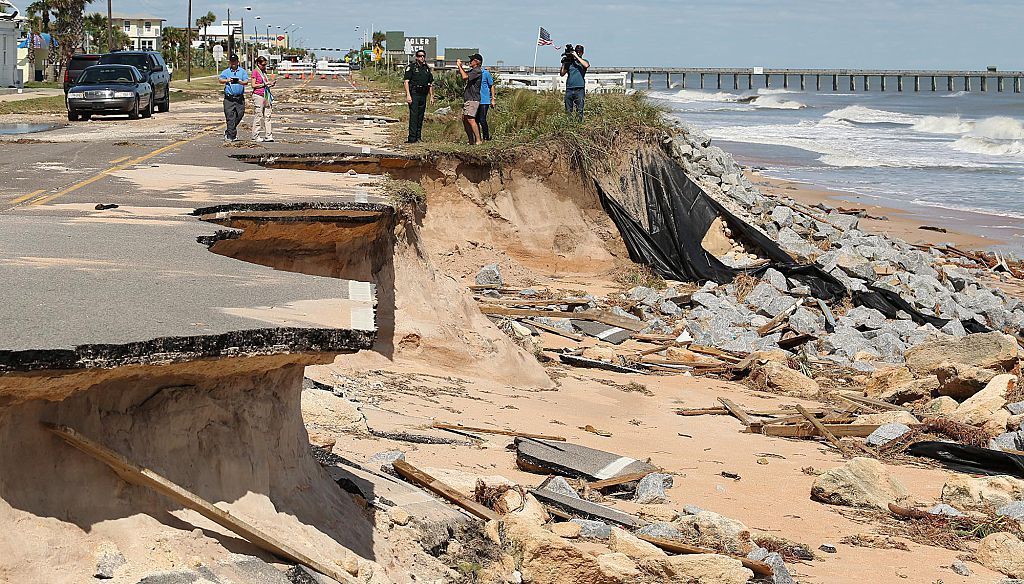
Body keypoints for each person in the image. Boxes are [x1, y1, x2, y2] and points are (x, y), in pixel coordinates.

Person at [403, 49, 434, 143]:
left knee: (421, 116)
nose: (422, 57)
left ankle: (418, 137)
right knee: (414, 116)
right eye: (420, 56)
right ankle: (412, 138)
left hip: (423, 94)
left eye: (424, 56)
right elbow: (406, 81)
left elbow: (430, 83)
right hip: (414, 94)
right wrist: (408, 95)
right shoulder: (411, 67)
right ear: (416, 57)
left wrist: (431, 96)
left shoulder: (426, 68)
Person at [219, 54, 249, 142]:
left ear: (237, 62)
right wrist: (227, 80)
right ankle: (231, 136)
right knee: (230, 117)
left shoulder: (242, 71)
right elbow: (220, 80)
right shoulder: (226, 72)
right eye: (232, 62)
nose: (233, 63)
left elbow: (246, 81)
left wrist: (240, 82)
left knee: (240, 115)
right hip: (229, 98)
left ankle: (229, 131)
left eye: (235, 61)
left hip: (239, 98)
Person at [455, 53, 484, 145]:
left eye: (472, 60)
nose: (470, 62)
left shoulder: (477, 71)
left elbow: (464, 77)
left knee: (471, 119)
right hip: (469, 98)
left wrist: (459, 66)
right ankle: (471, 140)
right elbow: (465, 75)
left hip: (473, 99)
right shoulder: (473, 71)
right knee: (465, 119)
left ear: (477, 62)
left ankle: (478, 140)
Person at [559, 44, 590, 120]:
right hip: (569, 89)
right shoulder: (570, 63)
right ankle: (568, 125)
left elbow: (586, 65)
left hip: (579, 89)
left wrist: (576, 56)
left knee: (579, 110)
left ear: (582, 53)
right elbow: (562, 74)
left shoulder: (583, 61)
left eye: (579, 52)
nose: (578, 53)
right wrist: (564, 63)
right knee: (568, 110)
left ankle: (579, 125)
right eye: (577, 51)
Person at [251, 55, 276, 143]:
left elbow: (266, 83)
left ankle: (268, 135)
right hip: (258, 95)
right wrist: (264, 84)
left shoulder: (264, 72)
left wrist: (270, 84)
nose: (264, 66)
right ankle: (255, 135)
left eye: (265, 64)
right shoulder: (255, 72)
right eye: (263, 64)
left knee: (268, 116)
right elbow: (253, 85)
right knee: (259, 115)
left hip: (266, 95)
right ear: (258, 64)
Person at [476, 65, 495, 141]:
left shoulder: (486, 73)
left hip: (484, 100)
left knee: (482, 119)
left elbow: (491, 85)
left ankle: (486, 137)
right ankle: (477, 137)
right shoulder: (474, 73)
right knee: (475, 120)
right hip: (475, 100)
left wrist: (492, 99)